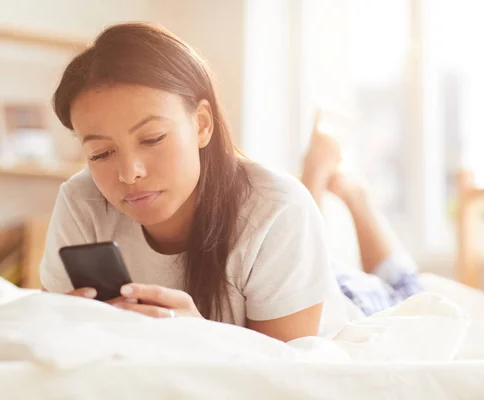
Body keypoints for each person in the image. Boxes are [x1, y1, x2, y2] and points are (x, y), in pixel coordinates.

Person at [40, 22, 351, 342]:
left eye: (152, 138)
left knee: (398, 281)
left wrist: (199, 338)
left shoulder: (280, 208)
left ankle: (331, 178)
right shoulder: (81, 200)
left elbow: (281, 375)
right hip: (290, 267)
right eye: (101, 153)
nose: (129, 173)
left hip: (351, 297)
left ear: (202, 124)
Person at [300, 130, 424, 317]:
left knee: (408, 290)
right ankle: (350, 193)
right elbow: (306, 273)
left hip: (361, 293)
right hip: (388, 307)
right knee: (410, 295)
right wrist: (313, 175)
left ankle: (350, 193)